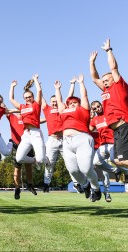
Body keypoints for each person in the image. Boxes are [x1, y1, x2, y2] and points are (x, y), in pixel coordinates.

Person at [54, 74, 101, 202]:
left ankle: (96, 189)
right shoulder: (64, 110)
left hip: (82, 139)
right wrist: (57, 89)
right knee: (73, 170)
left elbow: (84, 96)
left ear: (79, 103)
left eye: (75, 102)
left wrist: (81, 83)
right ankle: (85, 186)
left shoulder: (83, 110)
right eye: (70, 103)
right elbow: (59, 101)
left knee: (85, 168)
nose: (72, 104)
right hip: (67, 142)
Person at [89, 38, 128, 168]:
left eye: (107, 80)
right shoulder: (106, 90)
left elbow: (114, 67)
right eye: (103, 81)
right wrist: (91, 62)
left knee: (122, 161)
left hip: (123, 126)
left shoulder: (118, 86)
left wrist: (108, 51)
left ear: (114, 79)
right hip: (116, 130)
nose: (104, 82)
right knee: (116, 161)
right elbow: (95, 78)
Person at [41, 77, 77, 192]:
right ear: (50, 102)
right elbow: (40, 97)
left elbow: (68, 98)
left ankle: (76, 183)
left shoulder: (63, 108)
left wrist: (72, 84)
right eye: (53, 102)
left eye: (56, 101)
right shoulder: (47, 109)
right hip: (52, 139)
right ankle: (46, 184)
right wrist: (38, 85)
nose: (55, 103)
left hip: (64, 139)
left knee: (70, 161)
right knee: (49, 163)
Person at [9, 74, 47, 169]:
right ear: (24, 99)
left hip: (36, 133)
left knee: (41, 159)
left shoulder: (36, 105)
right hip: (26, 135)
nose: (28, 99)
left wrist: (35, 79)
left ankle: (44, 159)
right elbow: (11, 100)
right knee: (19, 158)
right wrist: (12, 87)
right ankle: (34, 160)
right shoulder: (22, 107)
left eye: (29, 97)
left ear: (33, 97)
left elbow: (39, 90)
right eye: (26, 97)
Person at [6, 113, 37, 199]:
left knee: (28, 167)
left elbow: (38, 120)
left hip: (27, 145)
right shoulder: (12, 116)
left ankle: (30, 185)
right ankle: (17, 189)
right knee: (17, 168)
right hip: (17, 145)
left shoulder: (27, 117)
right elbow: (3, 108)